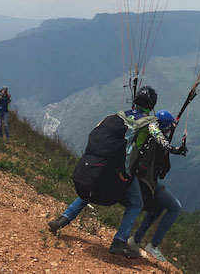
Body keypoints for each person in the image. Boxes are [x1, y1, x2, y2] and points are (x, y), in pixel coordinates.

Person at [48, 85, 186, 259]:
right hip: (123, 170)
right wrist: (174, 149)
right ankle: (120, 241)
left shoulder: (120, 115)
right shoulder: (149, 122)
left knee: (95, 184)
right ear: (152, 105)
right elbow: (159, 138)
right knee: (136, 202)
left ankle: (62, 219)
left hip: (104, 163)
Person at [127, 109, 187, 263]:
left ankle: (136, 239)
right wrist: (176, 150)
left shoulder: (148, 135)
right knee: (175, 207)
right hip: (147, 182)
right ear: (165, 129)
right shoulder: (159, 144)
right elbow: (164, 167)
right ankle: (154, 245)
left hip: (139, 178)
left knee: (159, 207)